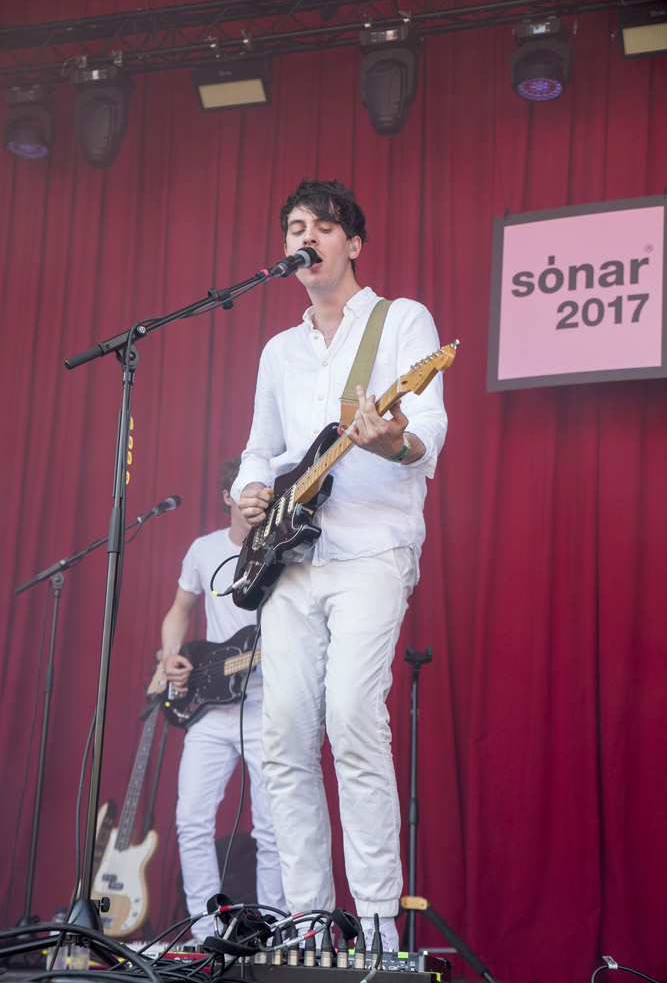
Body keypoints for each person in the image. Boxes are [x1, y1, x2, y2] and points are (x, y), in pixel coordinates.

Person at [230, 179, 448, 950]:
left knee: (353, 719)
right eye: (295, 226)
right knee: (283, 739)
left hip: (370, 551)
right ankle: (307, 923)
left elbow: (426, 430)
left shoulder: (401, 321)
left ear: (351, 243)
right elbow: (261, 448)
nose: (307, 237)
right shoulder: (279, 351)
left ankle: (380, 926)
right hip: (288, 560)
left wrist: (390, 440)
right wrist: (249, 491)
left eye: (322, 226)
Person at [161, 457, 286, 944]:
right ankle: (204, 933)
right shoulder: (203, 550)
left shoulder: (281, 548)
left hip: (264, 706)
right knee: (191, 822)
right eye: (246, 489)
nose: (255, 497)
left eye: (263, 490)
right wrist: (171, 658)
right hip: (209, 708)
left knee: (272, 829)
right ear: (227, 496)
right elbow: (179, 611)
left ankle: (276, 934)